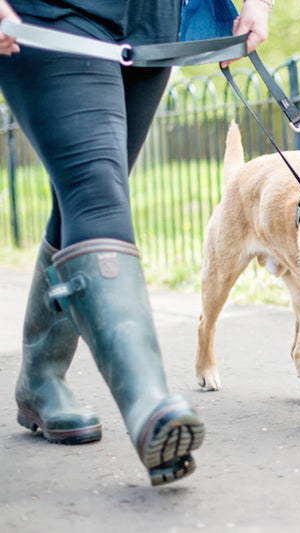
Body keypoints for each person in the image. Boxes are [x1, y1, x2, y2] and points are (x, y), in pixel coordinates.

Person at [0, 0, 271, 486]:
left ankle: (40, 379)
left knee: (85, 196)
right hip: (50, 15)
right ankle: (149, 405)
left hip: (151, 21)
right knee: (96, 195)